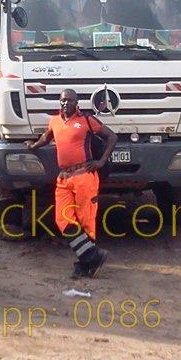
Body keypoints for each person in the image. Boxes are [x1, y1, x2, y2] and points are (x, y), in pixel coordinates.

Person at [26, 88, 116, 279]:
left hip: (84, 176)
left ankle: (85, 265)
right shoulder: (55, 121)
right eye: (63, 100)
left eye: (70, 100)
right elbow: (47, 137)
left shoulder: (87, 120)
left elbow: (112, 137)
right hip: (64, 178)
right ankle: (92, 257)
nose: (66, 103)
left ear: (77, 103)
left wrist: (101, 161)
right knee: (62, 219)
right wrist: (33, 145)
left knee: (86, 221)